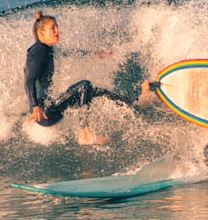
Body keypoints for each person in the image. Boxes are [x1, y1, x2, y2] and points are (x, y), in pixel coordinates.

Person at [23, 11, 134, 144]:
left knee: (93, 91)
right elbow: (29, 80)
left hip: (48, 107)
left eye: (57, 27)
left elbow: (67, 53)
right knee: (84, 86)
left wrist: (94, 53)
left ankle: (133, 102)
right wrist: (35, 107)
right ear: (41, 33)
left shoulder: (47, 49)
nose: (57, 31)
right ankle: (84, 134)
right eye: (53, 28)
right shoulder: (38, 51)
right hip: (45, 111)